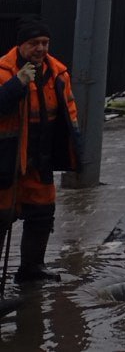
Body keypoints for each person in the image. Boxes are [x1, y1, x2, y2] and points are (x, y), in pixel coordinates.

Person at [0, 19, 82, 285]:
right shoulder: (3, 72)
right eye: (34, 43)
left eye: (44, 43)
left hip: (40, 160)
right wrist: (17, 84)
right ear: (21, 45)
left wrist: (74, 149)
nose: (40, 48)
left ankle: (31, 270)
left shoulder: (58, 74)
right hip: (7, 160)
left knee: (42, 214)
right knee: (1, 217)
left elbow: (69, 114)